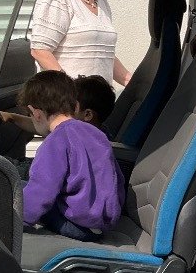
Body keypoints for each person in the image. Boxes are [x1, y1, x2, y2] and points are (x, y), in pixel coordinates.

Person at [19, 71, 124, 242]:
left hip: (76, 226)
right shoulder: (98, 135)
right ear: (75, 106)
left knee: (16, 189)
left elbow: (42, 189)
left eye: (30, 115)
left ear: (36, 113)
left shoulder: (55, 141)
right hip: (101, 225)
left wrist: (17, 219)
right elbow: (115, 179)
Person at [28, 0, 133, 86]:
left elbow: (104, 55)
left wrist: (131, 82)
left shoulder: (102, 2)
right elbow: (40, 51)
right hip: (66, 99)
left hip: (98, 99)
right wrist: (70, 90)